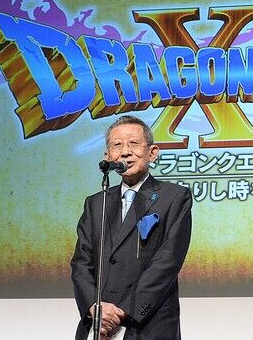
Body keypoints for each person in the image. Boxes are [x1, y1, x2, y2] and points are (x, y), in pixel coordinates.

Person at [71, 115, 192, 339]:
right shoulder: (96, 203)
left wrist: (121, 313)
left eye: (134, 143)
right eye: (117, 145)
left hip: (147, 324)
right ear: (108, 156)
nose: (125, 152)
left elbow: (168, 261)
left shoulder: (174, 197)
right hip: (99, 324)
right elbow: (81, 262)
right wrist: (94, 307)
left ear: (152, 153)